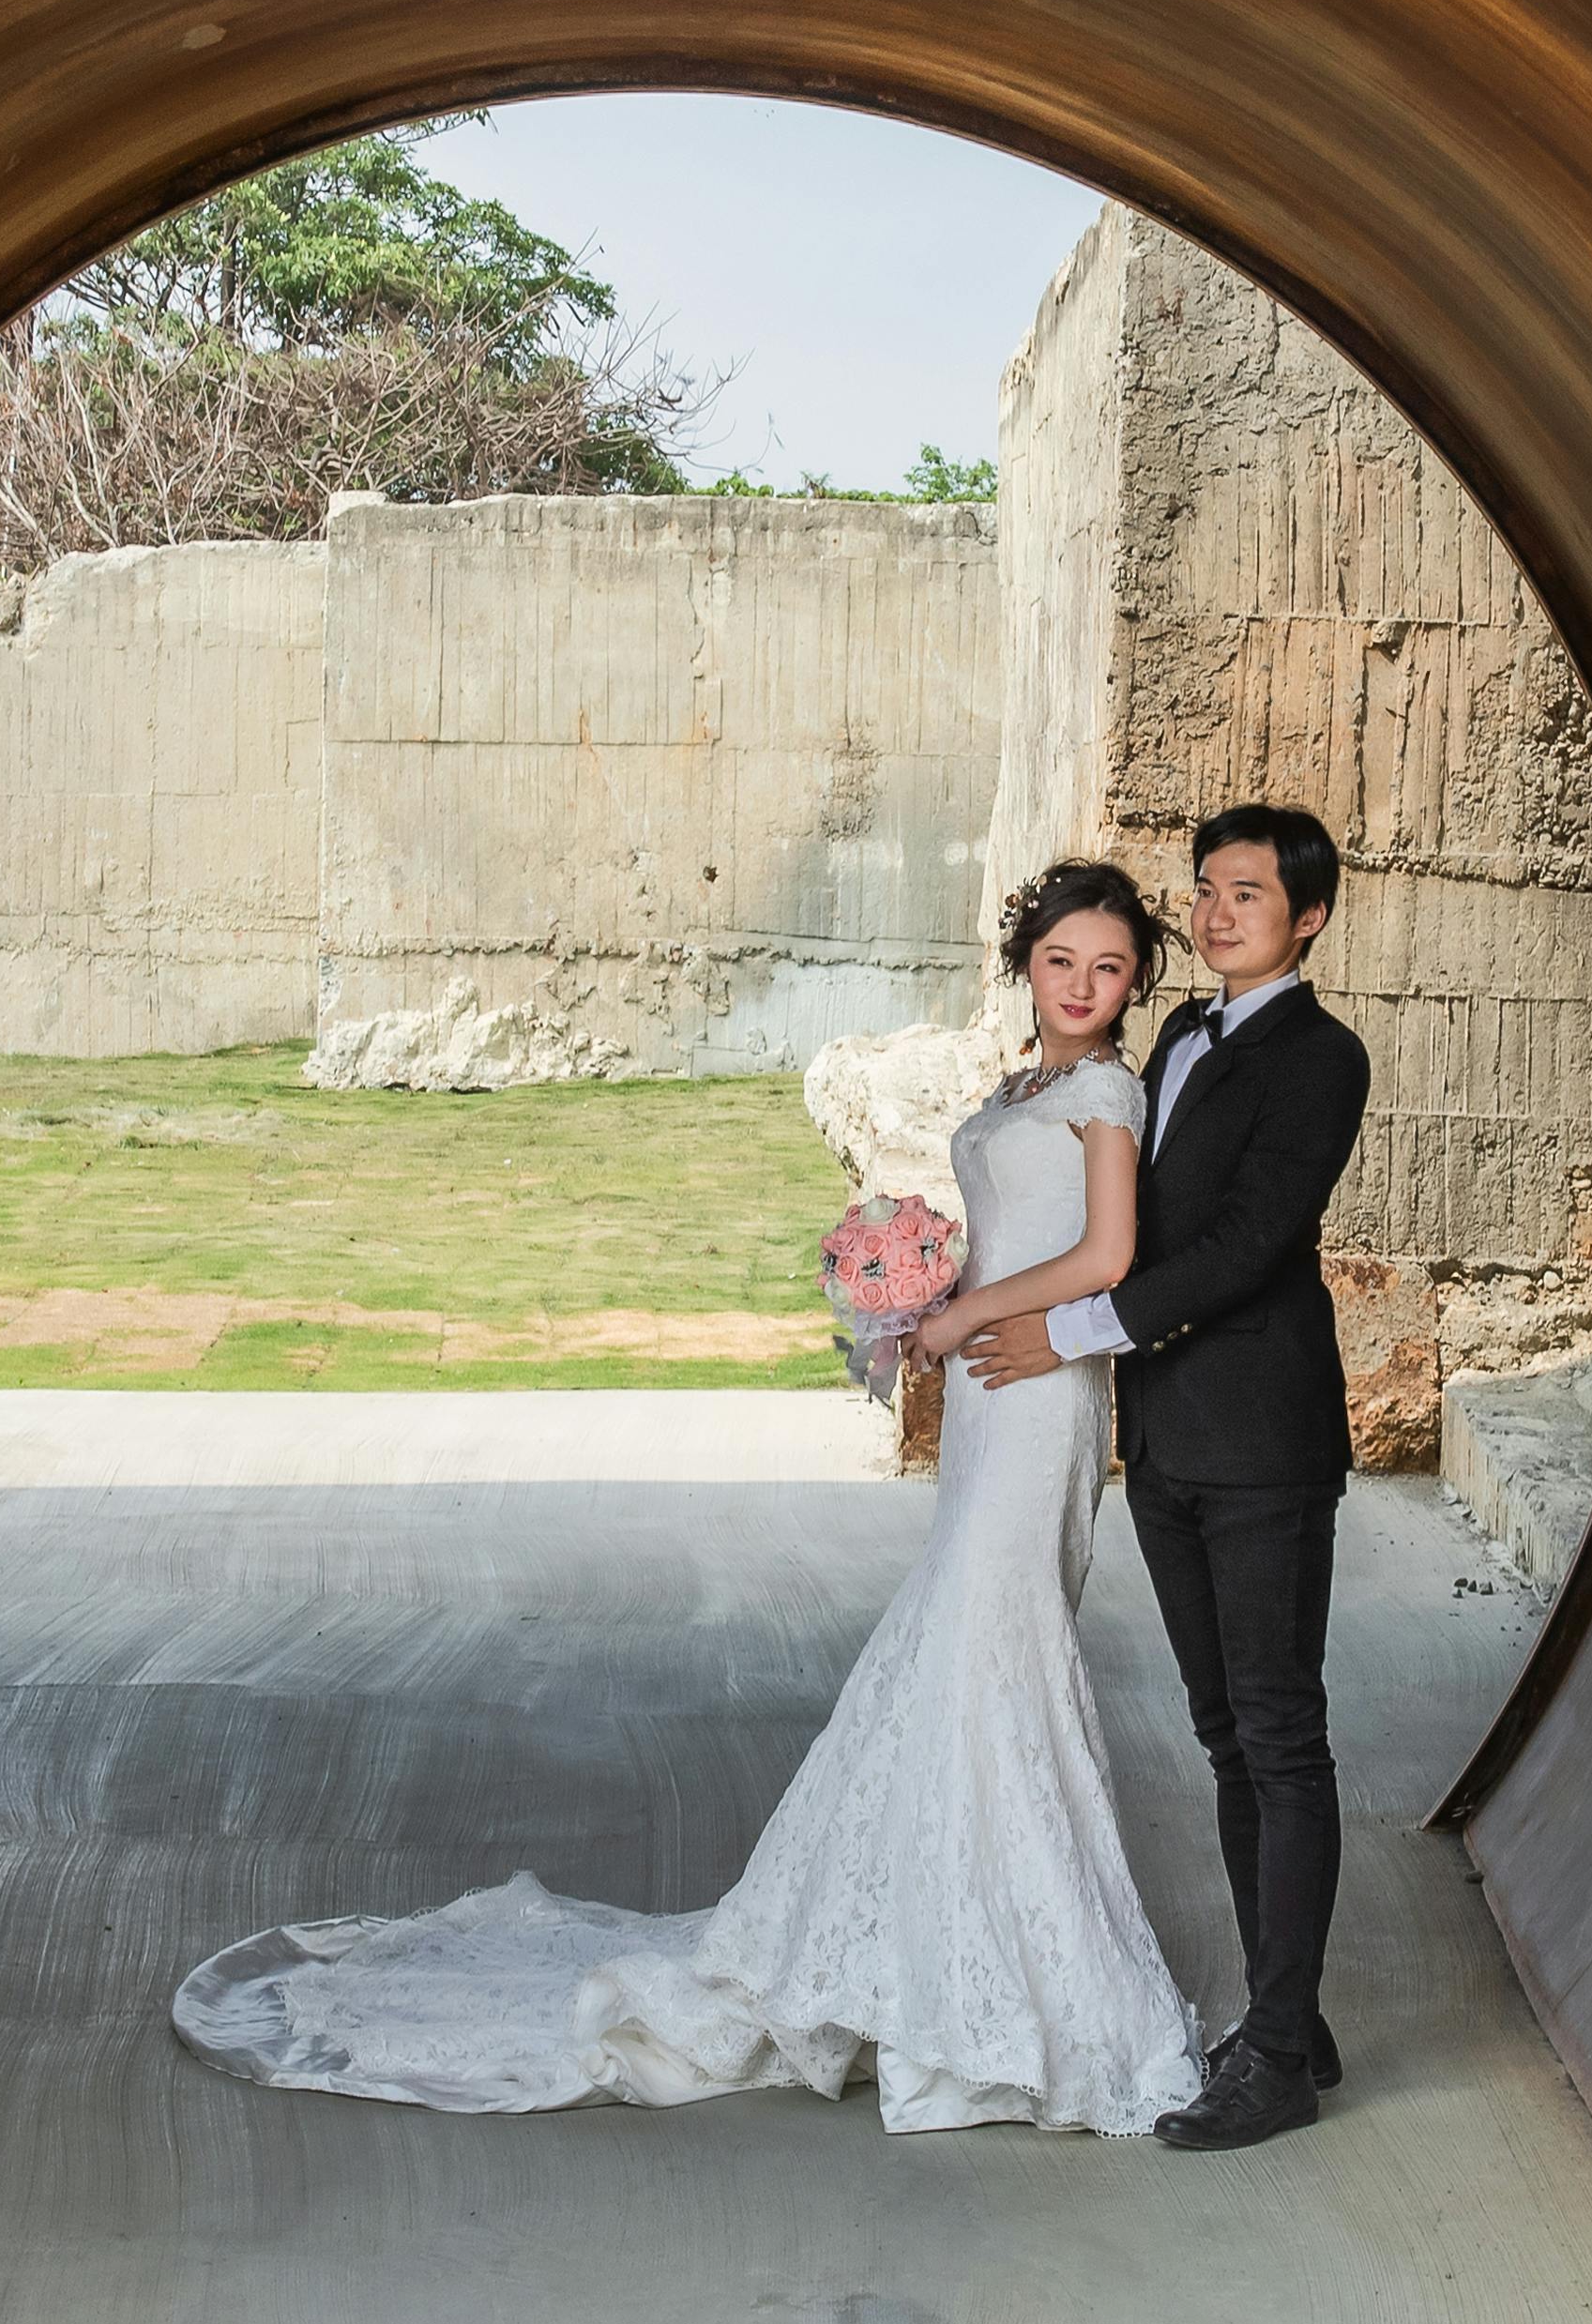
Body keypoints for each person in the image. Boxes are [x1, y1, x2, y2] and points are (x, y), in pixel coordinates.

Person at [169, 862, 1205, 2136]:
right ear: (1027, 962)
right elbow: (1018, 1231)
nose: (1086, 986)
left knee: (996, 1650)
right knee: (958, 1657)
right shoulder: (1020, 1087)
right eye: (1063, 962)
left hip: (1038, 1388)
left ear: (1135, 980)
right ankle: (928, 1942)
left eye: (1110, 968)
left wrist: (964, 1312)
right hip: (989, 1393)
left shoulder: (1107, 1089)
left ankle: (1026, 1989)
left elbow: (1108, 1256)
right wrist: (915, 1286)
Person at [956, 804, 1371, 2154]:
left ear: (1306, 916)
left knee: (1281, 1728)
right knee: (1222, 1731)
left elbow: (1250, 1243)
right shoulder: (1179, 1037)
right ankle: (1285, 2015)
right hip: (1170, 1438)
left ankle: (1280, 2056)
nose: (1217, 909)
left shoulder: (1322, 1058)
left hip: (1265, 1441)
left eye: (1248, 891)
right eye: (1205, 888)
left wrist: (1068, 1328)